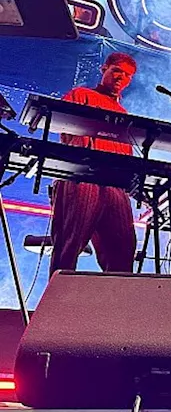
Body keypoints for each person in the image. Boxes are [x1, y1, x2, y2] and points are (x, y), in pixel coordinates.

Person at [50, 52, 139, 277]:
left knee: (123, 252)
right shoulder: (81, 94)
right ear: (104, 69)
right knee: (69, 246)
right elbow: (63, 128)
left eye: (127, 75)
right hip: (82, 177)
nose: (121, 77)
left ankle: (114, 308)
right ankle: (57, 306)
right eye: (117, 70)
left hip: (114, 185)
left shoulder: (123, 114)